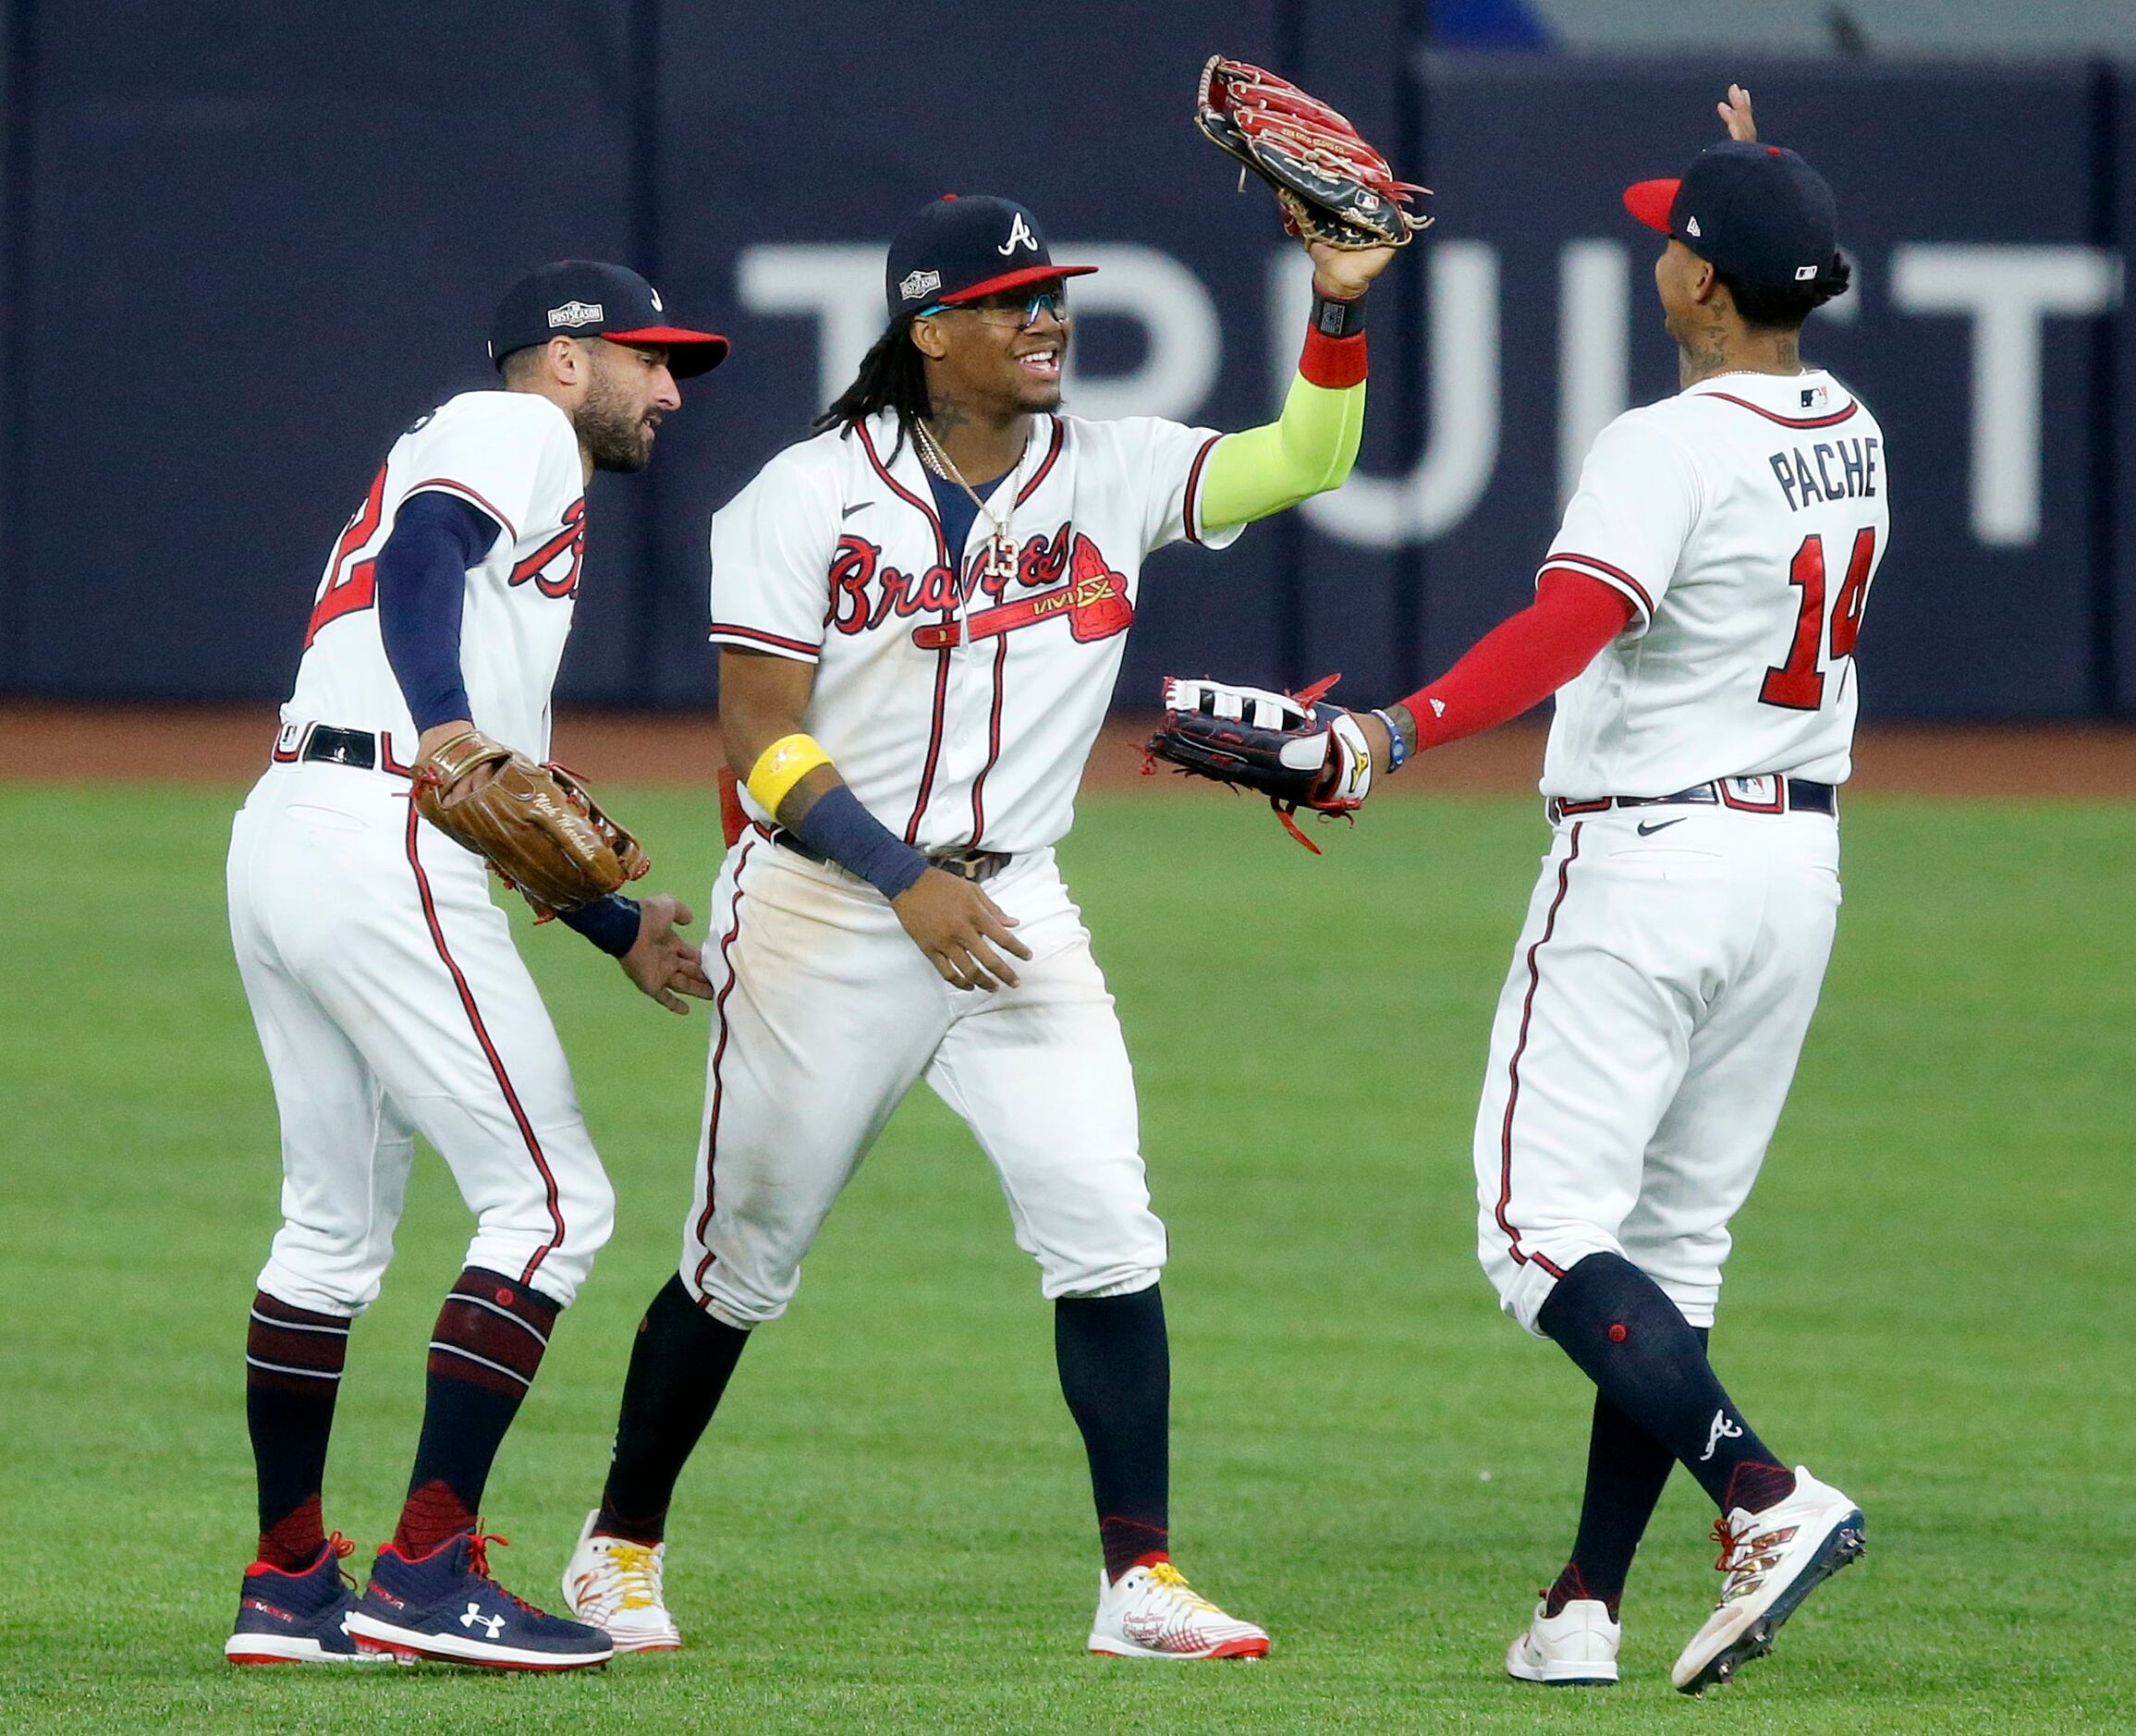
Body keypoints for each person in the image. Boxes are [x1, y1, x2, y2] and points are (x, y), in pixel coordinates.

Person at [556, 193, 1395, 1660]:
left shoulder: (1113, 467)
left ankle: (1141, 1579)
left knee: (1107, 1224)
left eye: (1052, 294)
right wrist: (902, 879)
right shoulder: (801, 497)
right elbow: (762, 743)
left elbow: (1311, 452)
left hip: (1019, 902)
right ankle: (616, 1544)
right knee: (742, 1254)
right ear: (930, 329)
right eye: (1011, 300)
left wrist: (1336, 302)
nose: (1046, 318)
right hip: (828, 909)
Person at [1344, 88, 1880, 1693]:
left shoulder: (1665, 443)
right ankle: (1585, 1606)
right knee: (1676, 1248)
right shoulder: (1848, 420)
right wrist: (1763, 173)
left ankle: (1764, 1494)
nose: (1658, 257)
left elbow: (1567, 626)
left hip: (1651, 858)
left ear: (1704, 286)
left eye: (1678, 241)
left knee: (1535, 1231)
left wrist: (1396, 727)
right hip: (1796, 861)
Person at [222, 262, 726, 1669]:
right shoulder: (515, 432)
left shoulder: (481, 452)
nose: (669, 390)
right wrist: (444, 725)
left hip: (290, 832)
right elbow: (427, 553)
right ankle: (428, 1570)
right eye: (650, 358)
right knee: (555, 1203)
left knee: (328, 1233)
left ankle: (288, 1582)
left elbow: (502, 800)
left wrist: (616, 927)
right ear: (566, 360)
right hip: (384, 823)